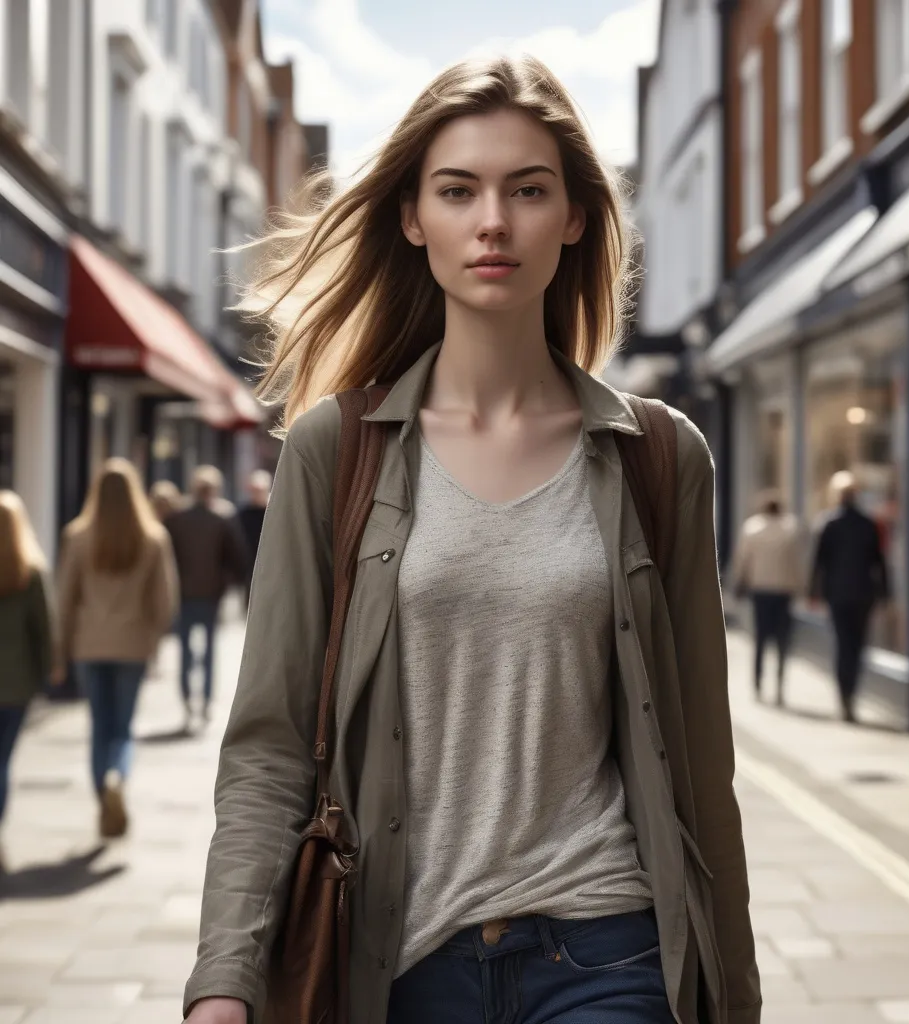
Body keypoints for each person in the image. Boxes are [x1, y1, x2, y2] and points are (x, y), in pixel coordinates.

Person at [182, 56, 760, 1024]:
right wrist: (223, 979)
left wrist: (732, 998)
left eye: (528, 190)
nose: (493, 221)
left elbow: (702, 771)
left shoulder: (658, 456)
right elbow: (270, 745)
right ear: (414, 218)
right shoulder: (336, 450)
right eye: (458, 190)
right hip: (399, 961)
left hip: (606, 946)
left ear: (573, 215)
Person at [56, 459, 178, 838]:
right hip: (132, 645)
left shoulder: (77, 535)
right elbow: (166, 600)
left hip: (89, 645)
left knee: (99, 725)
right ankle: (117, 778)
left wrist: (60, 651)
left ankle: (101, 796)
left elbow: (64, 600)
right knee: (123, 729)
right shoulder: (153, 537)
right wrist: (155, 640)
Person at [164, 466, 248, 724]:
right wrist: (229, 583)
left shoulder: (177, 518)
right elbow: (237, 558)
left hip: (185, 593)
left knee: (186, 651)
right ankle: (206, 701)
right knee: (209, 650)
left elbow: (169, 557)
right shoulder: (222, 517)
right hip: (211, 594)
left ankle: (189, 699)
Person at [809, 470, 889, 723]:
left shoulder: (829, 523)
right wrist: (886, 593)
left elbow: (818, 563)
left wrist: (814, 592)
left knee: (844, 645)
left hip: (839, 594)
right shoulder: (868, 524)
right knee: (856, 646)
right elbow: (880, 562)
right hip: (863, 594)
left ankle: (845, 696)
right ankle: (850, 694)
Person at [0, 491, 54, 863]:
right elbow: (43, 628)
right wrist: (50, 670)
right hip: (15, 684)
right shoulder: (29, 572)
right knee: (2, 762)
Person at [732, 491, 806, 705]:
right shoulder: (790, 529)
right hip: (784, 591)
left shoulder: (752, 528)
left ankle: (757, 681)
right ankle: (780, 684)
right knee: (783, 640)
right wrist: (800, 587)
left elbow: (742, 559)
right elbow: (797, 562)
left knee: (761, 639)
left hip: (761, 590)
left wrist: (740, 581)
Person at [235, 469, 272, 604]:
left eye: (259, 490)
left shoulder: (275, 510)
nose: (256, 494)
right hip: (251, 565)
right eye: (253, 490)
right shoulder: (244, 513)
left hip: (272, 564)